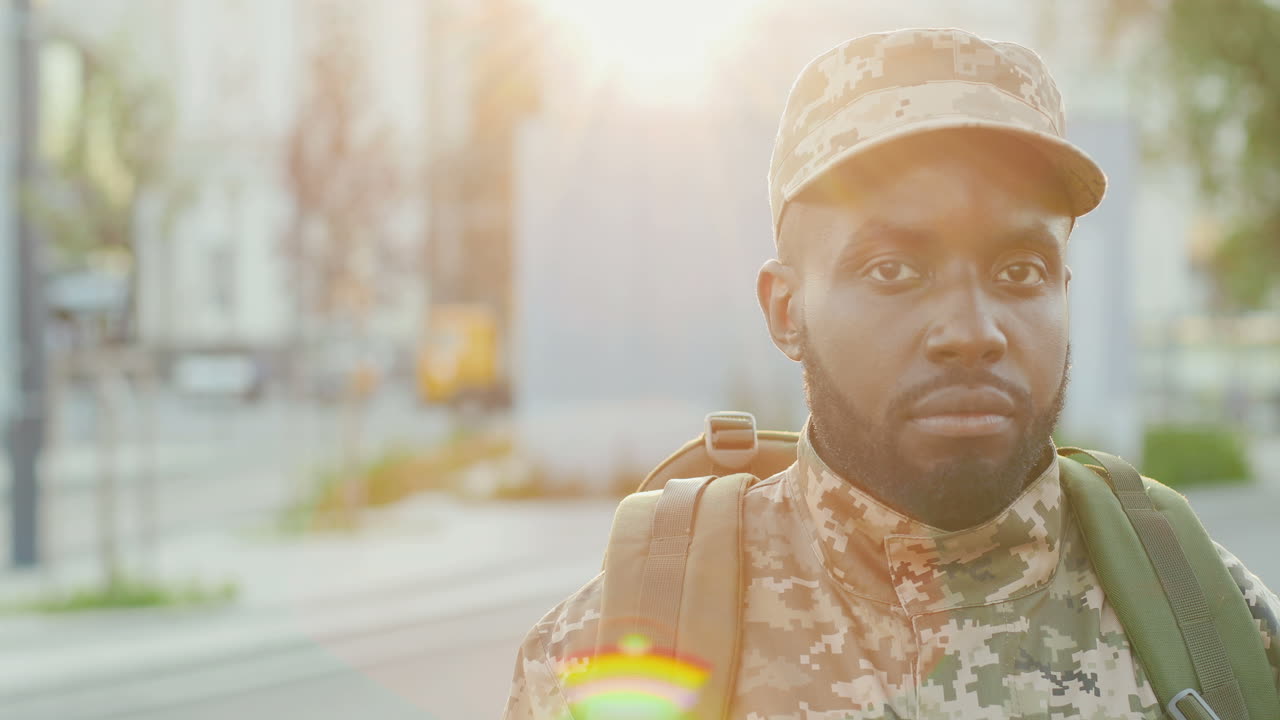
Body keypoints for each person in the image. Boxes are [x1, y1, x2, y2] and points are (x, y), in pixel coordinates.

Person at [502, 28, 1280, 718]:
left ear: (1064, 291)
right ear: (785, 310)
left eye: (1019, 270)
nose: (972, 333)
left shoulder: (1215, 623)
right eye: (893, 270)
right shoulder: (606, 659)